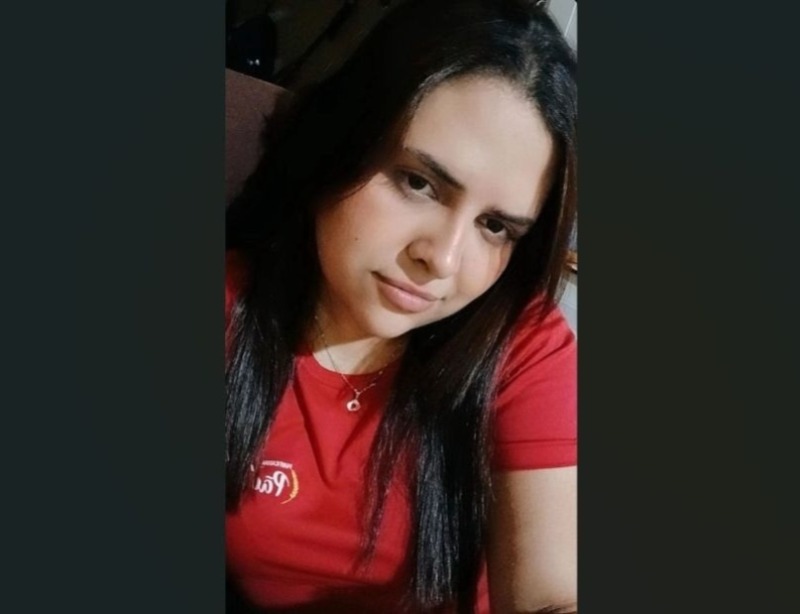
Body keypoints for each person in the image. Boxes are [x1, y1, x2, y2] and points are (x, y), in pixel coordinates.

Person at [225, 0, 577, 612]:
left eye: (495, 226)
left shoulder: (520, 346)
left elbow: (551, 594)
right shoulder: (231, 313)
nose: (442, 259)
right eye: (419, 182)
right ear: (339, 141)